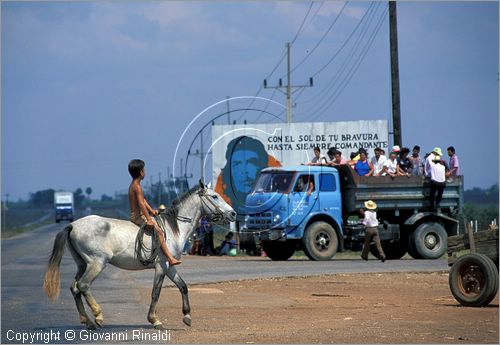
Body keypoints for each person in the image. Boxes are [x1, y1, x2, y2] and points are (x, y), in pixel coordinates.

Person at [128, 159, 181, 266]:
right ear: (141, 172)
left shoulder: (135, 184)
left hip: (139, 214)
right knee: (159, 231)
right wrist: (148, 219)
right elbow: (141, 204)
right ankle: (170, 258)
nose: (145, 171)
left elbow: (143, 200)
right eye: (144, 170)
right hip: (138, 216)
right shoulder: (137, 186)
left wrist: (151, 210)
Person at [215, 136, 281, 215]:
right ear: (229, 172)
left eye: (252, 162)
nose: (244, 171)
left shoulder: (275, 209)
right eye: (237, 164)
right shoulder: (224, 212)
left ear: (262, 168)